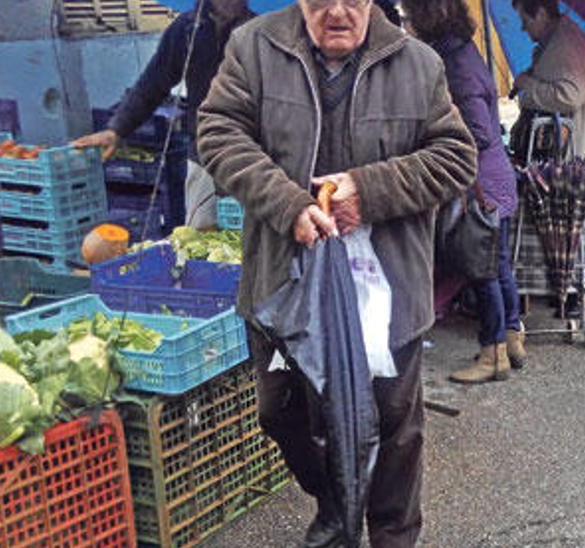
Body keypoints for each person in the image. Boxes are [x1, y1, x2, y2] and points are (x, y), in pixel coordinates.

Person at [196, 0, 478, 545]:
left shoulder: (417, 63)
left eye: (353, 0)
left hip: (387, 283)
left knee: (394, 428)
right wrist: (286, 202)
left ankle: (392, 536)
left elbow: (455, 157)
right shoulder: (254, 48)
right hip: (285, 274)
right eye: (322, 0)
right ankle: (332, 502)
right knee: (281, 412)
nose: (338, 13)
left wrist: (368, 192)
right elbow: (218, 131)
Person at [399, 0, 528, 384]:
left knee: (482, 268)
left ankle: (493, 354)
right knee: (497, 262)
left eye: (409, 17)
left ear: (427, 18)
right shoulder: (463, 52)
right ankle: (512, 335)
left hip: (479, 184)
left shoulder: (454, 65)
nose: (406, 25)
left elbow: (478, 133)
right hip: (494, 178)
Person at [73, 0, 253, 230]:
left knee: (253, 238)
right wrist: (117, 129)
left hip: (252, 153)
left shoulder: (259, 30)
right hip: (204, 153)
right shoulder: (187, 29)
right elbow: (154, 82)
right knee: (199, 235)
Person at [511, 0, 585, 318]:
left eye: (525, 19)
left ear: (539, 12)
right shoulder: (555, 40)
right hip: (576, 147)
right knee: (578, 221)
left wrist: (527, 86)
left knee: (583, 222)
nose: (523, 28)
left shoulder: (567, 40)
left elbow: (567, 96)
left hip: (584, 148)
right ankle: (571, 293)